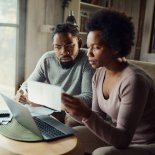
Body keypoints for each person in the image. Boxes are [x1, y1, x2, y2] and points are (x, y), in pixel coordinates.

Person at [61, 9, 155, 154]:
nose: (89, 53)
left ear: (116, 48)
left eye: (97, 47)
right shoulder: (99, 74)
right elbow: (98, 118)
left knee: (102, 154)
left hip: (144, 143)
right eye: (88, 46)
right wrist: (70, 108)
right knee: (70, 136)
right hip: (119, 136)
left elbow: (123, 139)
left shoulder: (134, 81)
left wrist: (86, 114)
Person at [16, 23, 95, 127]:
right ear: (53, 46)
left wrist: (50, 101)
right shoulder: (47, 59)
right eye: (58, 47)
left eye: (69, 46)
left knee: (71, 122)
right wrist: (22, 93)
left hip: (77, 110)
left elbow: (89, 98)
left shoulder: (87, 58)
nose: (64, 52)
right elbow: (27, 85)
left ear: (79, 43)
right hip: (54, 107)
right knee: (28, 118)